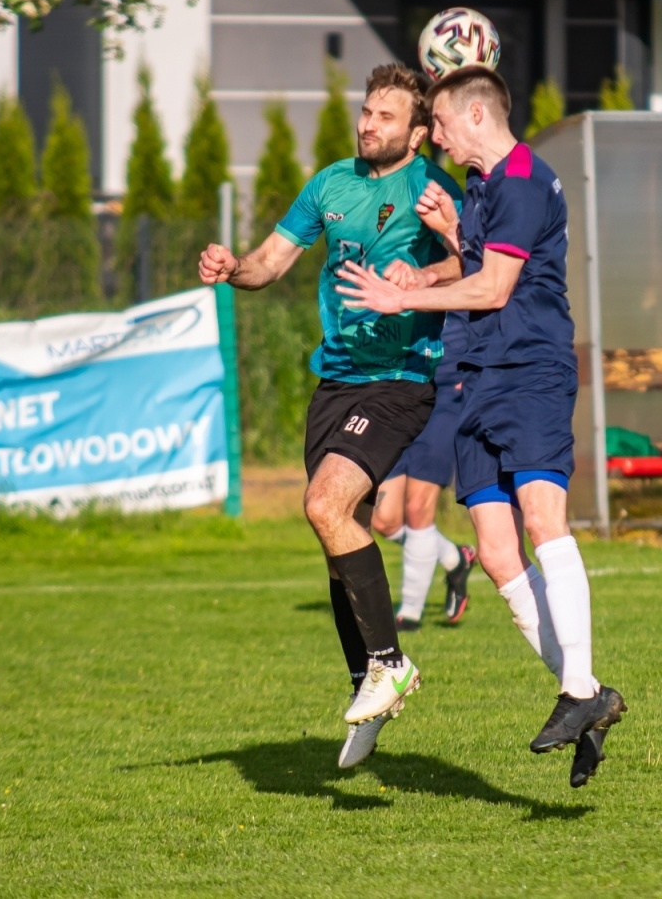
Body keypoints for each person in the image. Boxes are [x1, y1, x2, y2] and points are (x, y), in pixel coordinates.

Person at [335, 65, 623, 789]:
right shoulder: (486, 187)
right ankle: (588, 697)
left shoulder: (524, 180)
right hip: (477, 378)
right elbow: (482, 265)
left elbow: (497, 288)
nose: (432, 136)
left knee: (541, 519)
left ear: (474, 117)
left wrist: (402, 303)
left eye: (437, 122)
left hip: (528, 372)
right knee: (496, 555)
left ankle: (577, 691)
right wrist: (423, 272)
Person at [196, 63, 461, 770]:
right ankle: (368, 686)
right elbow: (271, 264)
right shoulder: (330, 183)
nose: (366, 123)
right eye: (365, 111)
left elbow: (480, 271)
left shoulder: (433, 190)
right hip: (335, 384)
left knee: (323, 504)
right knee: (337, 536)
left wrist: (425, 273)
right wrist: (231, 268)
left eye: (383, 116)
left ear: (415, 132)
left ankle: (388, 662)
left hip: (399, 380)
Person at [370, 314, 477, 629]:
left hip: (445, 394)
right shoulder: (394, 265)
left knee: (418, 507)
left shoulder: (454, 265)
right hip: (395, 393)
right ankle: (455, 558)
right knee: (384, 520)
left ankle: (410, 614)